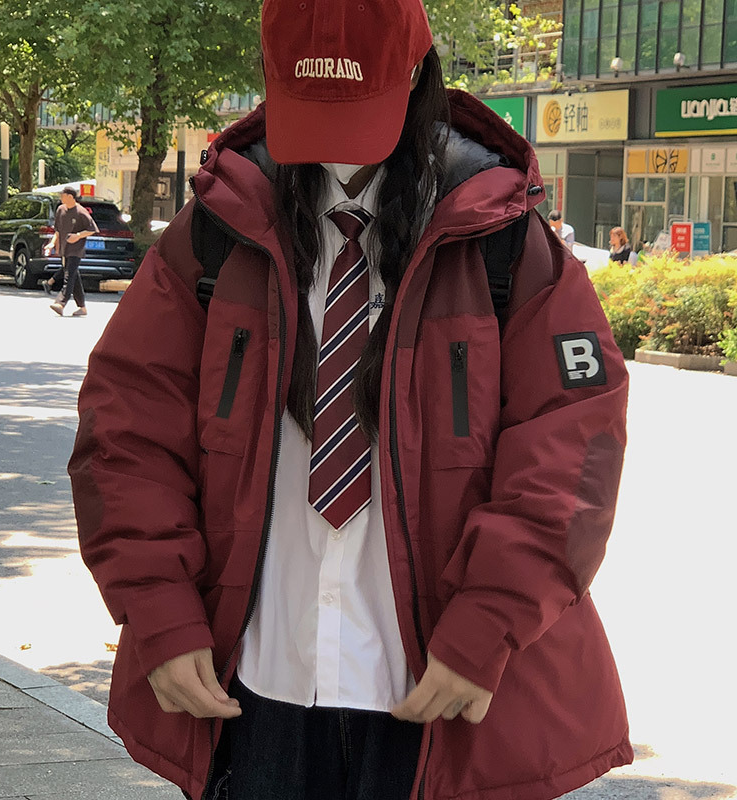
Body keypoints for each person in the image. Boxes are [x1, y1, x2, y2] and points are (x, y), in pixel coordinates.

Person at [69, 2, 632, 799]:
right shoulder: (219, 230)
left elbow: (572, 452)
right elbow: (125, 428)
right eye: (312, 107)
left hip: (440, 687)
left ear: (416, 75)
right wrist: (157, 607)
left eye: (356, 107)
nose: (334, 143)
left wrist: (489, 623)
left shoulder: (501, 237)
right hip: (258, 682)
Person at [43, 187, 97, 316]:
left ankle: (60, 303)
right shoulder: (60, 210)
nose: (61, 198)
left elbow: (92, 229)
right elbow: (57, 231)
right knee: (74, 276)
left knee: (69, 276)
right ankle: (82, 308)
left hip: (76, 249)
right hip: (64, 248)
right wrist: (52, 244)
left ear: (70, 197)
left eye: (63, 195)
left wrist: (78, 236)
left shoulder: (81, 212)